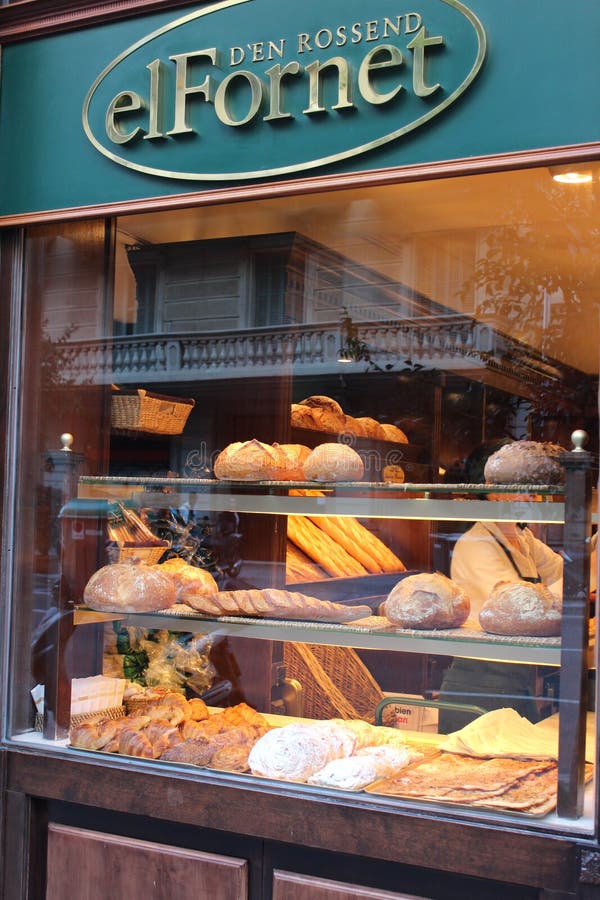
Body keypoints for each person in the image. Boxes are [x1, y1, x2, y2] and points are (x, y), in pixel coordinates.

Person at [438, 443, 596, 734]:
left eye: (534, 490)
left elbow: (569, 573)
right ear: (492, 489)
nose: (532, 497)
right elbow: (518, 613)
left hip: (518, 683)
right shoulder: (476, 544)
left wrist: (592, 551)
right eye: (522, 488)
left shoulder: (522, 538)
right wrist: (588, 573)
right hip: (478, 685)